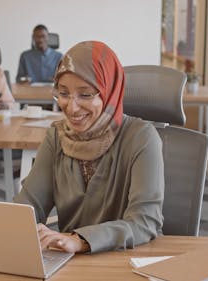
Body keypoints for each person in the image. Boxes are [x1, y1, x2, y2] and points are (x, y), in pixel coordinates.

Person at [14, 41, 164, 254]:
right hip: (69, 263)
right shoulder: (57, 136)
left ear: (109, 91)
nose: (71, 107)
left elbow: (145, 222)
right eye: (63, 93)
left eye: (85, 95)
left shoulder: (142, 138)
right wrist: (8, 226)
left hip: (128, 260)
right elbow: (29, 205)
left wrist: (80, 240)